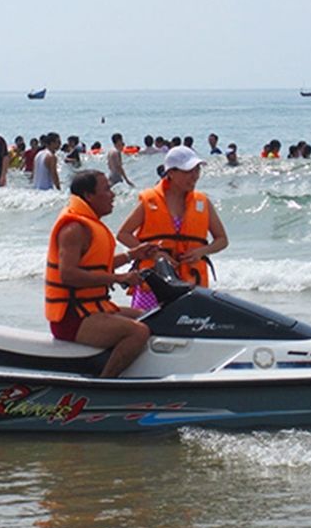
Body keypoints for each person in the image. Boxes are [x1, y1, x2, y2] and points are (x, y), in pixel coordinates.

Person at [44, 170, 158, 377]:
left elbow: (96, 267)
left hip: (91, 308)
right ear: (88, 196)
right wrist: (118, 278)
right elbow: (68, 275)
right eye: (106, 189)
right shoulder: (74, 228)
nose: (112, 194)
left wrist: (133, 255)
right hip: (71, 317)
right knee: (138, 331)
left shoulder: (89, 223)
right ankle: (105, 383)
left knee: (151, 317)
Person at [117, 146, 229, 310]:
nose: (194, 176)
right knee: (146, 329)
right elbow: (123, 234)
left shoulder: (202, 202)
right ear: (171, 172)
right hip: (155, 283)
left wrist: (201, 252)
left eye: (197, 170)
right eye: (188, 171)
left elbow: (222, 240)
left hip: (190, 282)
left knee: (187, 331)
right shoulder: (150, 201)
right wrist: (155, 254)